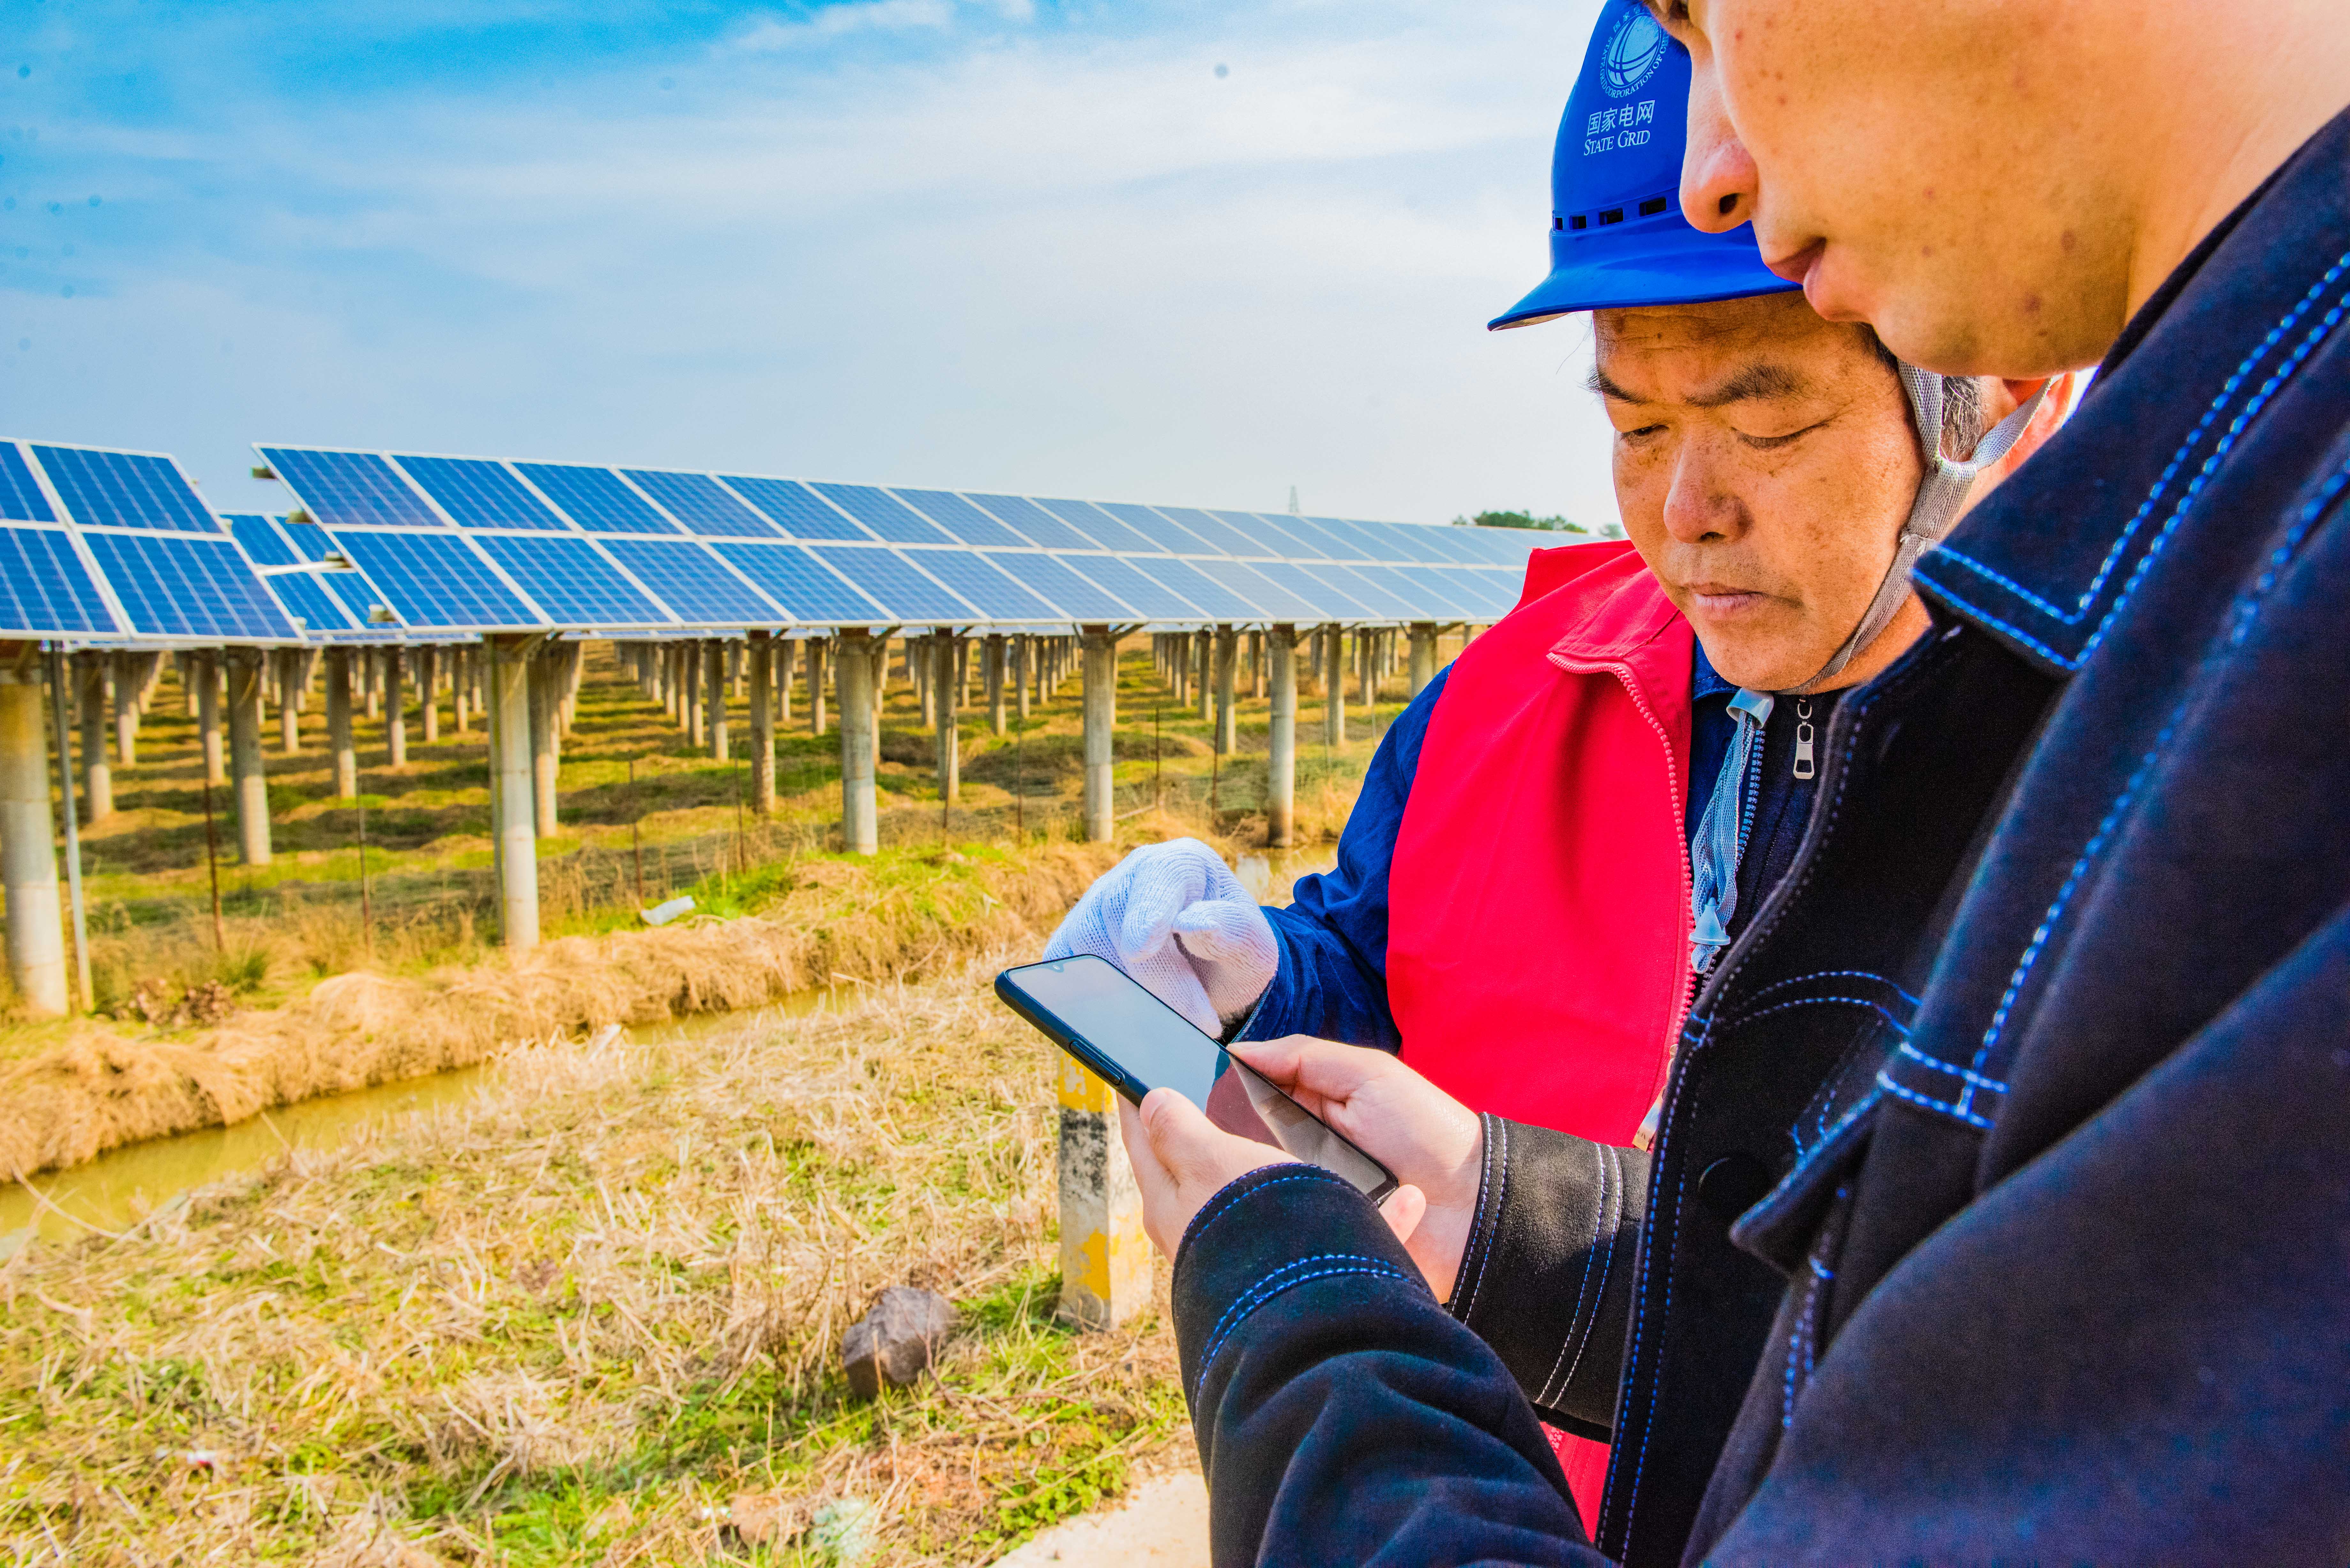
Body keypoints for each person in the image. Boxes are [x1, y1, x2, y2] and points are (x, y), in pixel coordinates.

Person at [1113, 0, 2350, 1562]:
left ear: (1994, 406)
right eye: (1633, 426)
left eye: (1766, 414)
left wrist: (1293, 1312)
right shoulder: (1498, 697)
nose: (1684, 509)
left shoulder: (2144, 772)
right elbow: (1381, 956)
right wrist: (1306, 1007)